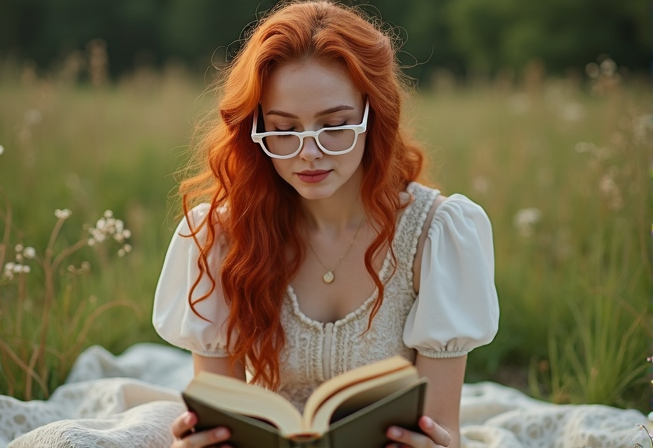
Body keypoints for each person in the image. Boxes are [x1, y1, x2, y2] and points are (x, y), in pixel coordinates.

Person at [153, 1, 499, 447]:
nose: (309, 151)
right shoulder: (223, 238)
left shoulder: (434, 234)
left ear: (374, 118)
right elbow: (225, 416)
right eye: (283, 128)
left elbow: (441, 429)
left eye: (334, 125)